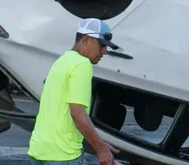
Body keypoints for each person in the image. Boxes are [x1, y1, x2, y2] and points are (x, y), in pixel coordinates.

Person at [29, 18, 122, 165]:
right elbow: (77, 113)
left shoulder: (62, 61)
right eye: (102, 45)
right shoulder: (82, 64)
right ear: (86, 40)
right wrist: (100, 149)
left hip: (39, 150)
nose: (105, 51)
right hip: (62, 155)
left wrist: (100, 143)